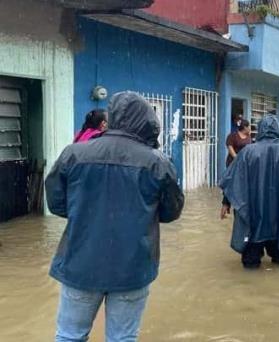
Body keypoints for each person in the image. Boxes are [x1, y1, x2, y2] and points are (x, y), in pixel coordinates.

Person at [45, 91, 184, 342]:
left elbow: (56, 203)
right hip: (132, 267)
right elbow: (171, 211)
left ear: (113, 118)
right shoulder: (158, 163)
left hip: (81, 262)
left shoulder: (73, 153)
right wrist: (141, 215)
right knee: (122, 338)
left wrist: (86, 212)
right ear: (148, 123)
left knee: (69, 336)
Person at [219, 115, 279, 269]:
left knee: (250, 266)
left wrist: (226, 203)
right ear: (278, 130)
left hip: (253, 217)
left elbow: (234, 181)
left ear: (260, 130)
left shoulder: (247, 153)